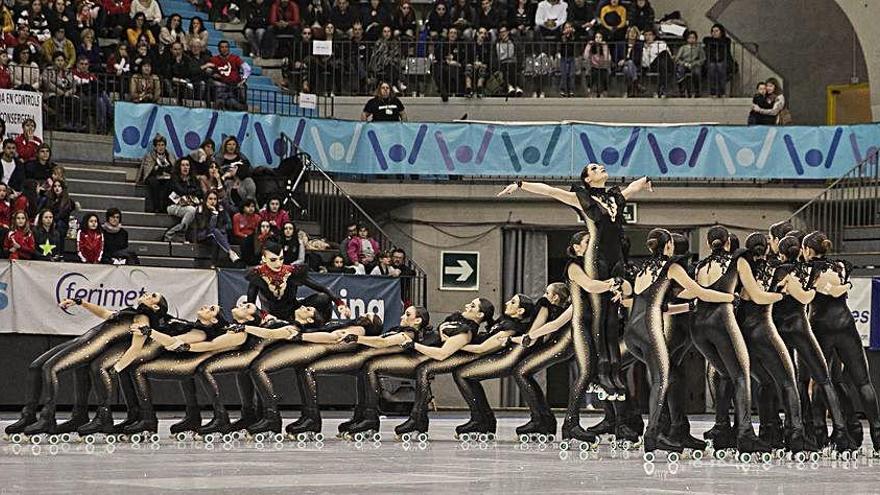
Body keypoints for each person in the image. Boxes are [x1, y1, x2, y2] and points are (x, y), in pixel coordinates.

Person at [497, 164, 653, 440]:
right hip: (591, 284)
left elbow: (629, 190)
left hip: (614, 261)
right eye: (594, 167)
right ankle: (573, 425)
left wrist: (642, 182)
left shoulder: (614, 197)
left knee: (605, 358)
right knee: (590, 369)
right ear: (586, 178)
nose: (600, 167)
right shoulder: (581, 202)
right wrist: (521, 184)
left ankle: (616, 422)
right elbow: (550, 191)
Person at [6, 292, 168, 436]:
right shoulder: (131, 312)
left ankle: (48, 418)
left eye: (153, 296)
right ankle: (32, 416)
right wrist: (81, 303)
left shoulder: (143, 319)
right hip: (83, 340)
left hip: (92, 345)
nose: (148, 294)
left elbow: (135, 347)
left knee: (50, 368)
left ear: (154, 307)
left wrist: (118, 368)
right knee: (36, 366)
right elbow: (105, 313)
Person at [772, 234, 851, 452]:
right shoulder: (803, 271)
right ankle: (840, 432)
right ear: (799, 251)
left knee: (789, 382)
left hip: (778, 330)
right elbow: (808, 297)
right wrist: (817, 288)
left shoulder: (775, 270)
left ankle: (795, 430)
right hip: (800, 328)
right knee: (823, 379)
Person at [803, 231, 880, 451]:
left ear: (808, 250)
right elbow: (837, 290)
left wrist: (837, 289)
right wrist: (845, 287)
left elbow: (830, 291)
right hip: (846, 325)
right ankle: (877, 436)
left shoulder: (808, 270)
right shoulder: (841, 265)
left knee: (820, 381)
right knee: (863, 382)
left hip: (821, 327)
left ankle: (819, 435)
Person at [452, 294, 535, 437]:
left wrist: (453, 346)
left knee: (462, 374)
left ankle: (481, 420)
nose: (507, 302)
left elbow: (482, 349)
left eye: (513, 302)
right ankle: (484, 420)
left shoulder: (511, 327)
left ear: (520, 311)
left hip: (503, 359)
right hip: (496, 357)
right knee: (462, 373)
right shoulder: (504, 319)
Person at [193, 189, 239, 266]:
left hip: (217, 235)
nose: (213, 201)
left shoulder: (221, 208)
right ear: (206, 199)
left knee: (216, 237)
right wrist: (214, 214)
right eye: (210, 199)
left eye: (215, 199)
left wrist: (222, 229)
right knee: (215, 231)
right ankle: (230, 252)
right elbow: (203, 226)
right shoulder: (200, 209)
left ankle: (213, 265)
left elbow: (229, 224)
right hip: (203, 235)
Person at [202, 40, 250, 110]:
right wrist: (212, 74)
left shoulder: (235, 58)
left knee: (242, 87)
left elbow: (247, 68)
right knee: (216, 84)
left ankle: (242, 106)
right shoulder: (214, 59)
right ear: (219, 49)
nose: (224, 49)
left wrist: (244, 79)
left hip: (235, 85)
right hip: (222, 84)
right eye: (222, 47)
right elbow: (207, 70)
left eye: (226, 47)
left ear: (229, 48)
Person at [164, 158, 203, 242]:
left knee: (197, 210)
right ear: (179, 167)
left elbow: (200, 192)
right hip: (172, 205)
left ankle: (194, 237)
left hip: (189, 204)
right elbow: (181, 191)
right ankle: (177, 233)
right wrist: (192, 191)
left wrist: (191, 191)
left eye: (187, 165)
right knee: (191, 210)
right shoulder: (174, 179)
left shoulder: (193, 179)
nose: (185, 167)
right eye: (183, 165)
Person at [136, 134, 176, 213]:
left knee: (170, 183)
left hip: (166, 178)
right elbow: (147, 170)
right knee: (154, 182)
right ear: (155, 147)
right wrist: (158, 169)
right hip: (153, 177)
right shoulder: (149, 156)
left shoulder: (170, 155)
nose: (161, 147)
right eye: (158, 145)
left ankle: (165, 206)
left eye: (162, 145)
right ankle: (156, 207)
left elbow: (174, 169)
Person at [219, 136, 256, 204]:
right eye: (229, 144)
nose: (231, 146)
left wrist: (237, 173)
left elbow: (248, 169)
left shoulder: (241, 156)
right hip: (227, 181)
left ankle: (251, 203)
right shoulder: (219, 157)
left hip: (241, 179)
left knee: (249, 181)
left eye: (233, 144)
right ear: (225, 146)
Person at [703, 23, 731, 97]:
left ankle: (722, 92)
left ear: (721, 32)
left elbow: (726, 53)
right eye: (713, 31)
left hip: (723, 61)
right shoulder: (708, 40)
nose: (714, 33)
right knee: (712, 67)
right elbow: (705, 41)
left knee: (720, 66)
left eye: (716, 31)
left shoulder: (726, 41)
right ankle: (713, 92)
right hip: (711, 62)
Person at [494, 25, 522, 97]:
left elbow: (517, 54)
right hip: (502, 63)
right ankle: (512, 86)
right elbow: (497, 57)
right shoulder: (497, 44)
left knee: (512, 67)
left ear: (508, 32)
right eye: (501, 32)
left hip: (513, 62)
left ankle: (514, 87)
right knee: (507, 67)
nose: (503, 34)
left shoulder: (513, 42)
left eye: (504, 32)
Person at [675, 30, 705, 97]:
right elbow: (677, 59)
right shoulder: (683, 48)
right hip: (684, 64)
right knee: (680, 70)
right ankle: (682, 90)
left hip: (695, 64)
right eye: (690, 38)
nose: (691, 39)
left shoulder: (699, 48)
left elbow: (702, 59)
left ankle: (697, 90)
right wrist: (684, 63)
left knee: (697, 72)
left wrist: (695, 63)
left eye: (693, 38)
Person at [585, 31, 611, 96]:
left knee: (604, 74)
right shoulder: (592, 46)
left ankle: (604, 91)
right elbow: (585, 56)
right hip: (594, 66)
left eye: (600, 37)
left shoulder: (604, 46)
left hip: (603, 66)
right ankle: (590, 90)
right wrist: (589, 45)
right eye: (596, 37)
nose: (598, 39)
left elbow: (607, 59)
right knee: (593, 73)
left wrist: (604, 46)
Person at [558, 22, 578, 97]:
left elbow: (577, 40)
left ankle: (571, 90)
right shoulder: (561, 36)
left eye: (569, 27)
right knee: (564, 74)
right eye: (566, 27)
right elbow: (559, 40)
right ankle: (563, 90)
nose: (568, 29)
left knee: (571, 74)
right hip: (563, 57)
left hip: (571, 57)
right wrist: (564, 34)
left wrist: (573, 33)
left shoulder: (573, 36)